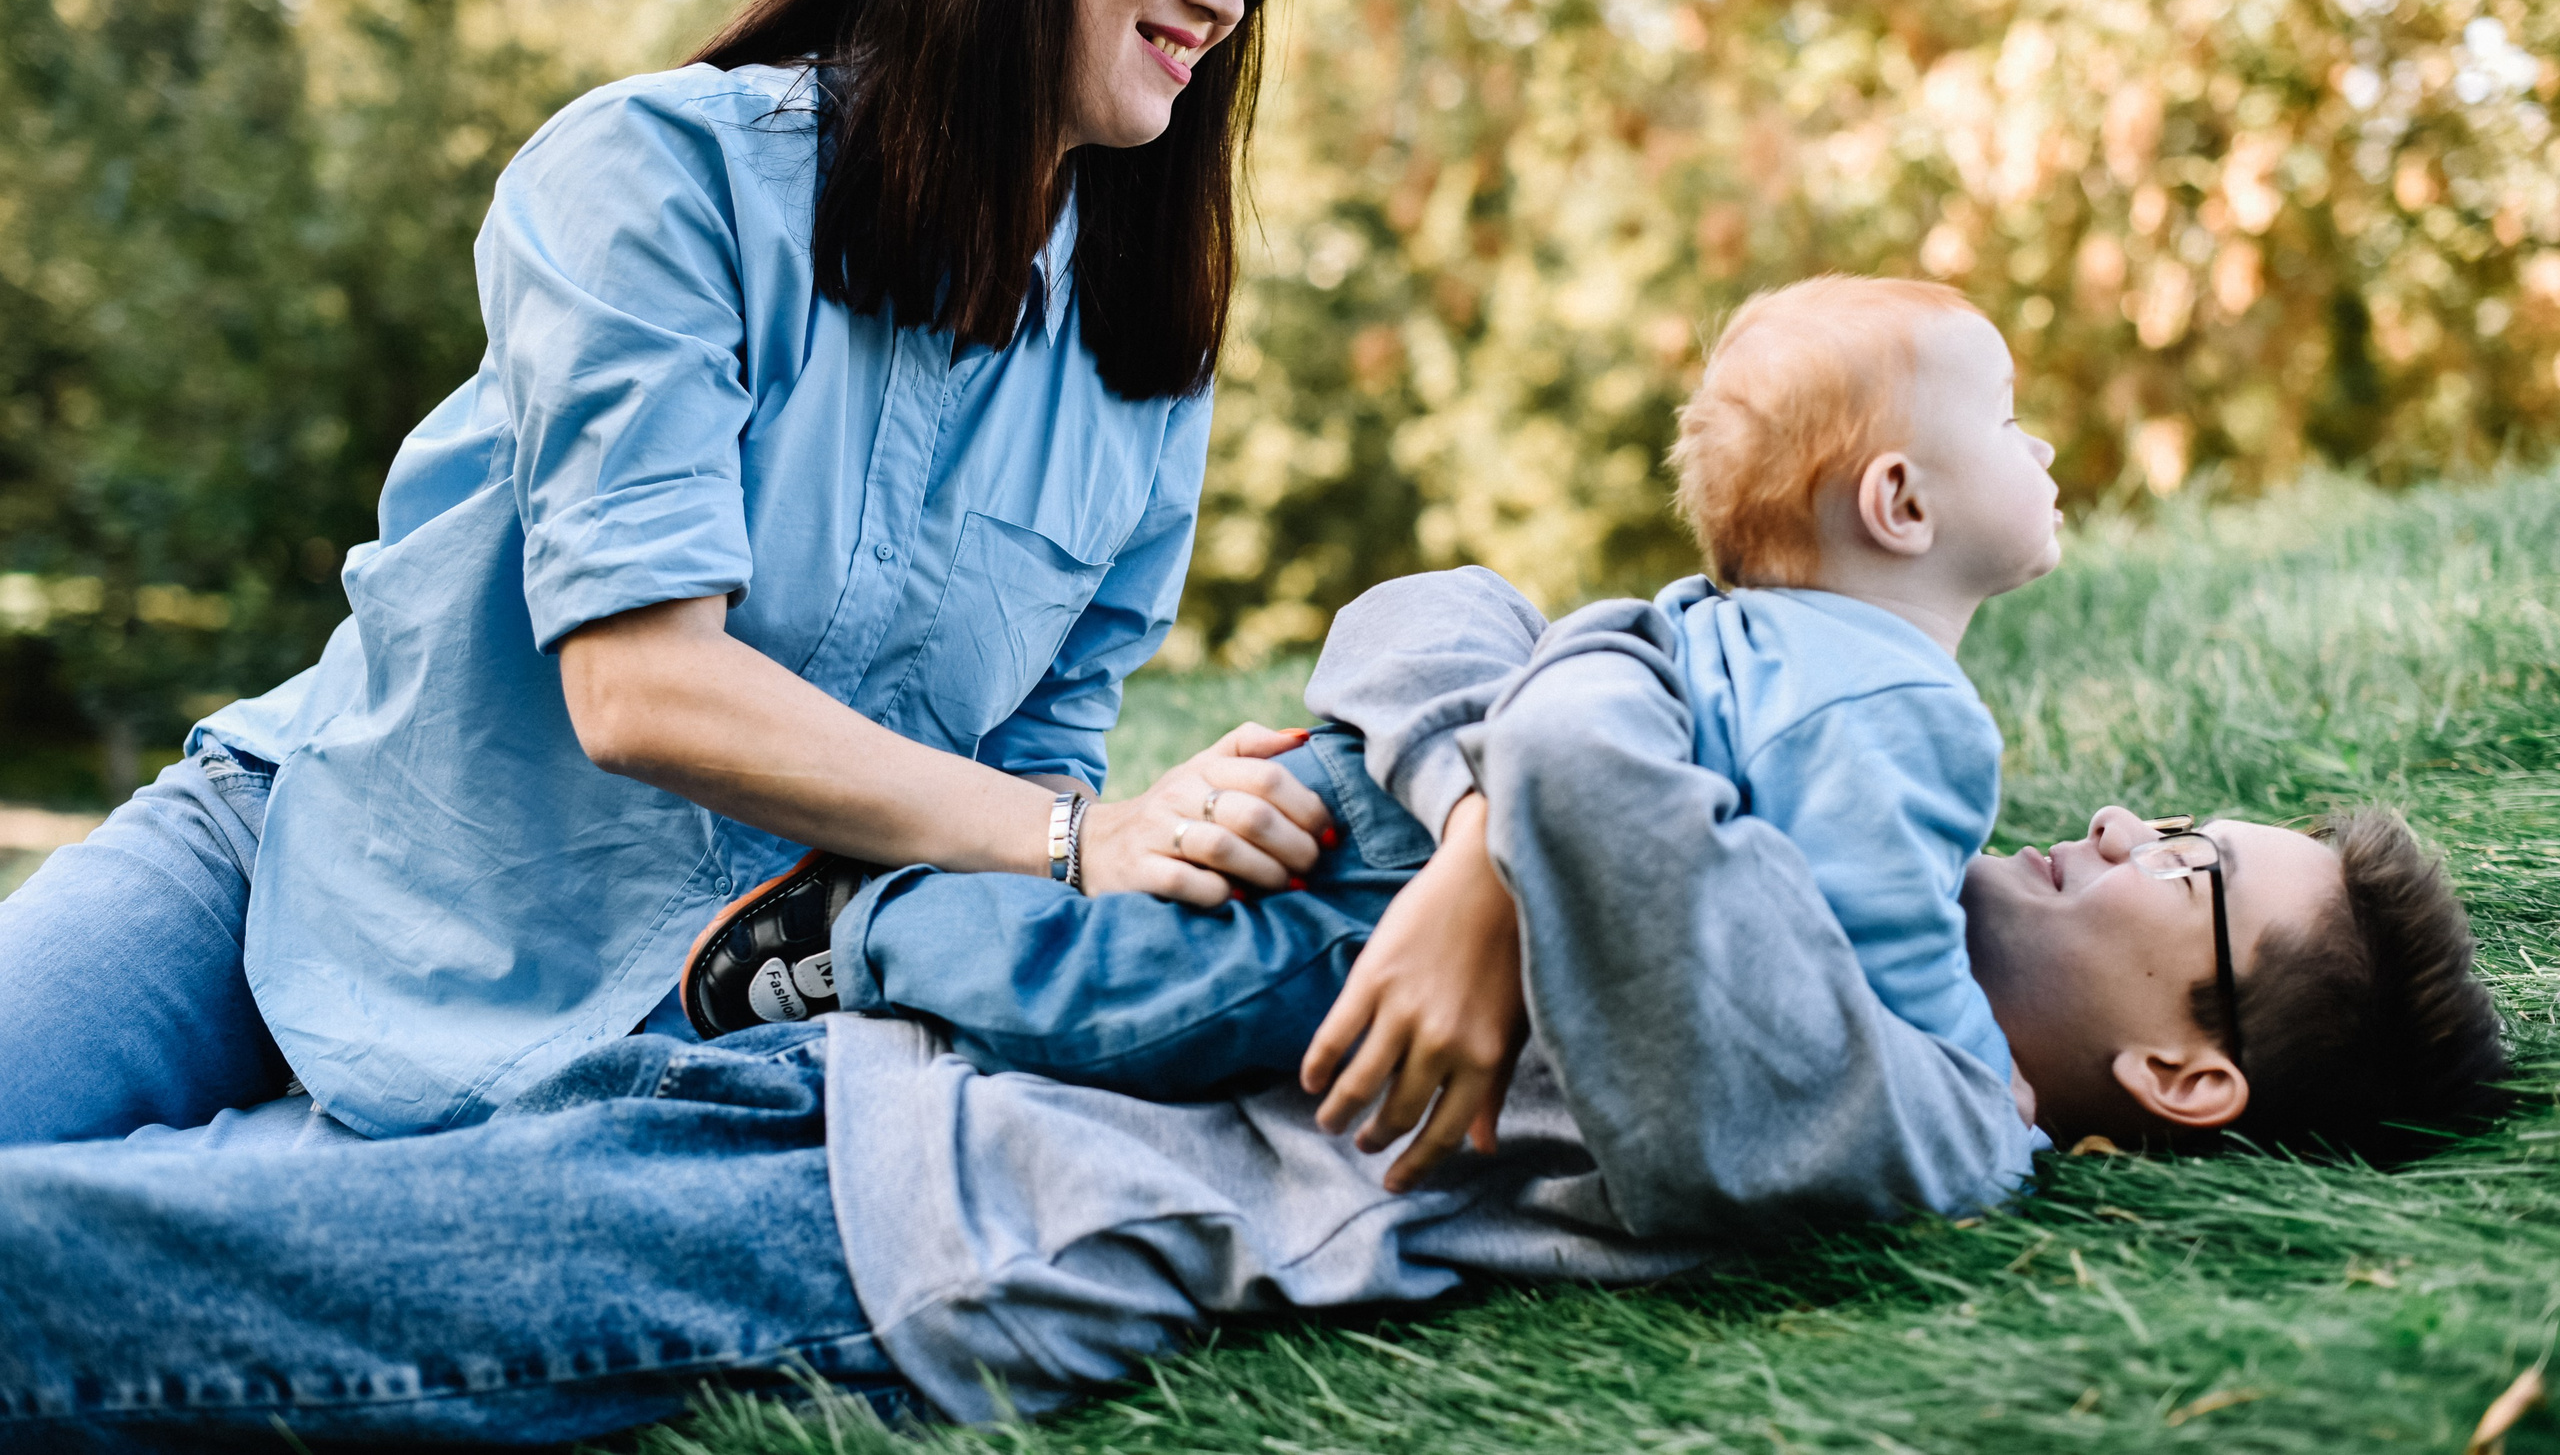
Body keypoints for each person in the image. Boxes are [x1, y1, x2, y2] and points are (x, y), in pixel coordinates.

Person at [0, 574, 2507, 1447]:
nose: (2109, 826)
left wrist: (1500, 830)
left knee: (119, 1287)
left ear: (2181, 1068)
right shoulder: (1815, 868)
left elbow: (1580, 727)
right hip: (862, 1040)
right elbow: (1441, 613)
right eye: (2159, 807)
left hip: (906, 1215)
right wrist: (1484, 816)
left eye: (2180, 869)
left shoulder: (1880, 1095)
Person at [0, 0, 1334, 1147]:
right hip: (314, 865)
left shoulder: (1147, 362)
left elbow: (1040, 756)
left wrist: (1093, 858)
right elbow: (643, 687)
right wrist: (1076, 841)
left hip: (672, 1009)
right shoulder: (658, 174)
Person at [748, 274, 2060, 1111]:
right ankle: (872, 934)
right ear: (1901, 502)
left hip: (1384, 798)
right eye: (2009, 422)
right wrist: (1977, 1085)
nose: (2042, 446)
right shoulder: (1898, 705)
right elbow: (1882, 947)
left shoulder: (1772, 637)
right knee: (1155, 1005)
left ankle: (869, 945)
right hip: (1390, 870)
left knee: (1151, 977)